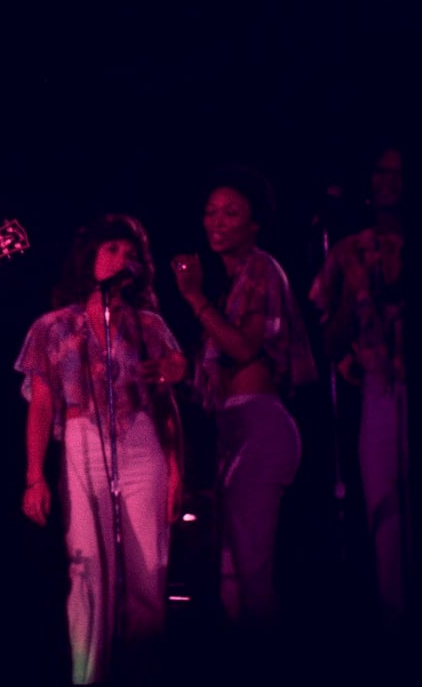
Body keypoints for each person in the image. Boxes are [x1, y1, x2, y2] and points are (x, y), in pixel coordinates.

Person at [15, 213, 186, 685]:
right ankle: (86, 676)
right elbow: (42, 404)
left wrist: (175, 470)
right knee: (86, 566)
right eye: (111, 250)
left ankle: (144, 670)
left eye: (129, 254)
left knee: (148, 566)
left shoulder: (149, 325)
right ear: (89, 257)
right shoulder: (53, 326)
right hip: (80, 441)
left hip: (141, 441)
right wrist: (35, 476)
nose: (120, 260)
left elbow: (167, 402)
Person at [169, 164, 317, 649]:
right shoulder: (230, 286)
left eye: (232, 213)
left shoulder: (262, 269)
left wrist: (192, 299)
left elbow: (246, 350)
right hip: (234, 430)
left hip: (261, 424)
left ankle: (264, 664)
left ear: (255, 223)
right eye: (211, 212)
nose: (217, 221)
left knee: (252, 568)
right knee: (231, 571)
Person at [308, 147, 408, 639]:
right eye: (381, 171)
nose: (391, 181)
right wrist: (351, 297)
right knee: (384, 515)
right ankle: (396, 630)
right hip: (380, 390)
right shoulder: (348, 250)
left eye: (401, 172)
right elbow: (326, 341)